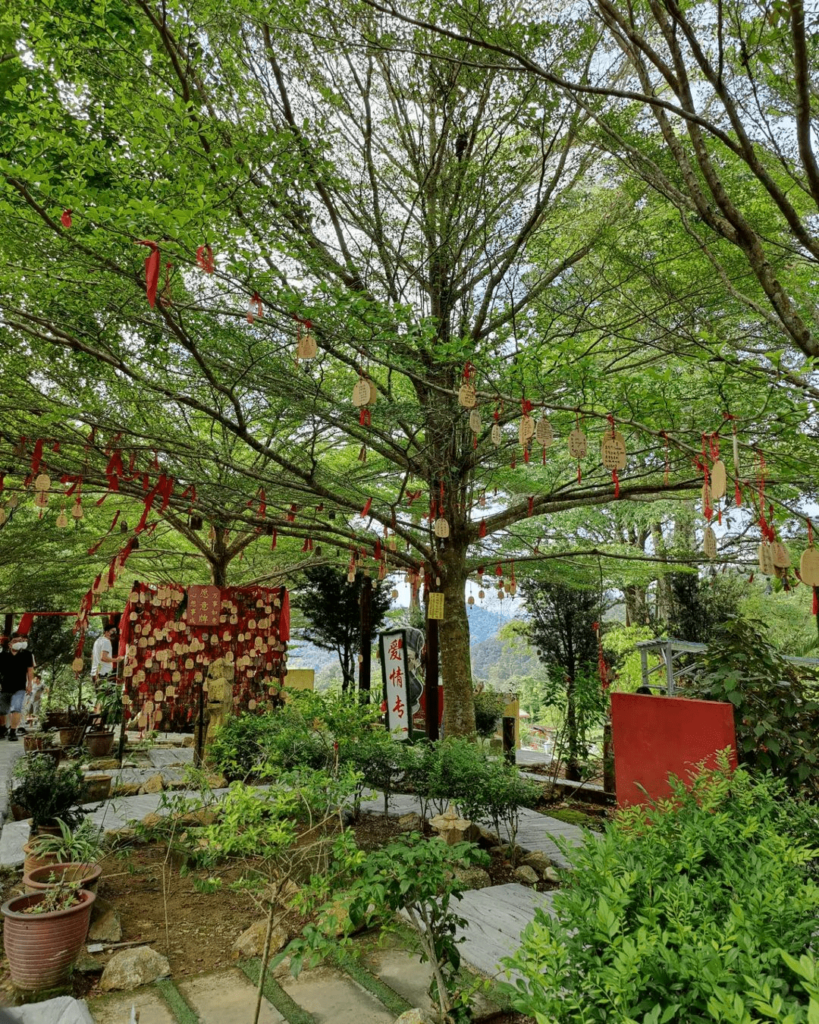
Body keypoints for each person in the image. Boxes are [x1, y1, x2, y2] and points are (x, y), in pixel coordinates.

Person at [0, 633, 36, 741]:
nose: (19, 643)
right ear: (10, 644)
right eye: (15, 641)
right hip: (5, 686)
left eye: (20, 641)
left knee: (16, 708)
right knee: (2, 710)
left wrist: (30, 684)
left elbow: (30, 670)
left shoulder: (27, 654)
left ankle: (13, 731)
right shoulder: (2, 656)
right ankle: (2, 728)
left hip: (20, 687)